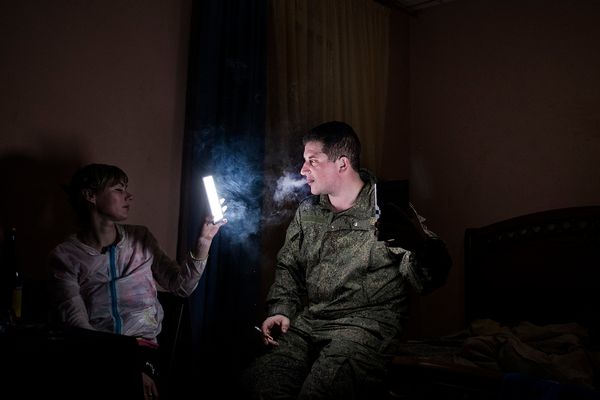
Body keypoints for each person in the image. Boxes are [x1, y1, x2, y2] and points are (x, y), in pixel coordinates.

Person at [243, 121, 451, 399]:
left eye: (312, 161)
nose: (302, 170)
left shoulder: (387, 209)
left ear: (342, 163)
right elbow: (289, 267)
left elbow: (427, 279)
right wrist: (281, 309)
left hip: (364, 328)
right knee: (264, 383)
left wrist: (421, 246)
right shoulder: (308, 212)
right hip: (310, 323)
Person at [47, 163, 226, 400]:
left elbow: (180, 286)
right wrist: (123, 367)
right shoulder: (66, 256)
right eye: (119, 189)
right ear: (91, 195)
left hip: (144, 350)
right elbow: (78, 325)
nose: (128, 196)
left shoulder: (141, 238)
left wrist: (204, 241)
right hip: (95, 353)